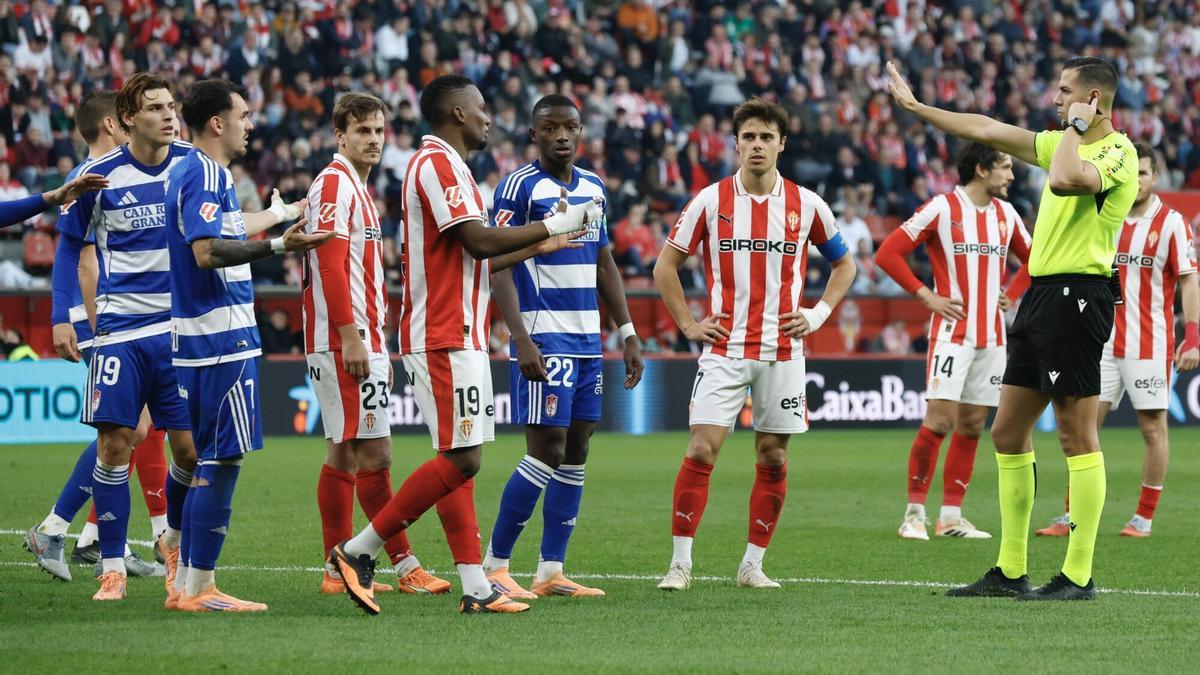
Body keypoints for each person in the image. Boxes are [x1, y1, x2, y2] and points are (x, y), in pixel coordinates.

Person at [327, 75, 599, 616]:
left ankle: (476, 586)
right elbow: (477, 240)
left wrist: (542, 243)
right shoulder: (437, 164)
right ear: (457, 113)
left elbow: (479, 254)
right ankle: (358, 550)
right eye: (480, 108)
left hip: (459, 329)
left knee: (460, 457)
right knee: (463, 459)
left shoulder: (452, 167)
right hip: (443, 330)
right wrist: (554, 221)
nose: (487, 118)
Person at [889, 56, 1138, 600]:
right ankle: (1010, 570)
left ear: (1093, 98)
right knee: (1005, 432)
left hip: (1080, 295)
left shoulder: (1119, 152)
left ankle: (1078, 576)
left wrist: (1075, 128)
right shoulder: (1063, 141)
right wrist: (919, 108)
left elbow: (1068, 181)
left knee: (1076, 434)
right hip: (1042, 297)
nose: (1056, 98)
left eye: (1066, 91)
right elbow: (985, 128)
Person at [651, 97, 857, 591]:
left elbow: (845, 265)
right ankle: (679, 564)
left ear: (781, 144)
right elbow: (665, 267)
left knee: (774, 457)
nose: (757, 145)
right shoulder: (710, 201)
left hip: (784, 353)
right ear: (736, 144)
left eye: (766, 137)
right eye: (749, 137)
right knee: (702, 449)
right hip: (724, 350)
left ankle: (752, 565)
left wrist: (817, 314)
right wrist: (688, 324)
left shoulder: (807, 205)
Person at [164, 79, 325, 612]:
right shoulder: (208, 173)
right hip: (222, 340)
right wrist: (278, 245)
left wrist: (281, 214)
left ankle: (186, 582)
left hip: (197, 339)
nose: (250, 125)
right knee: (223, 459)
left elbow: (228, 227)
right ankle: (201, 587)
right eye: (244, 115)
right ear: (218, 123)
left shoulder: (190, 170)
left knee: (205, 459)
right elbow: (208, 251)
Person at [482, 94, 645, 600]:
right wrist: (519, 338)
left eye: (569, 127)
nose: (561, 136)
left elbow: (603, 263)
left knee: (576, 449)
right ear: (534, 134)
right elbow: (498, 264)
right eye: (550, 127)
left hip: (587, 340)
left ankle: (551, 570)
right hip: (543, 335)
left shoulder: (594, 187)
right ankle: (495, 565)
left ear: (580, 132)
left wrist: (627, 331)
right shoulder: (518, 186)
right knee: (547, 447)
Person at [51, 74, 202, 602]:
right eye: (155, 108)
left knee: (189, 452)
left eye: (171, 106)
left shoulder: (194, 165)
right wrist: (61, 317)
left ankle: (173, 543)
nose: (169, 115)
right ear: (127, 118)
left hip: (178, 330)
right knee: (115, 444)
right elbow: (69, 248)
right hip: (120, 332)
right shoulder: (97, 176)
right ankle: (111, 566)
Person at [304, 92, 451, 596]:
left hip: (359, 336)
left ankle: (336, 569)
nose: (373, 139)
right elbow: (328, 262)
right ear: (339, 135)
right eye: (362, 130)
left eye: (378, 131)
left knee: (345, 454)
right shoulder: (335, 182)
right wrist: (349, 336)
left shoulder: (358, 187)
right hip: (345, 339)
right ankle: (403, 565)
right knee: (376, 455)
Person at [25, 91, 168, 582]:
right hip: (103, 321)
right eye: (127, 119)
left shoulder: (111, 173)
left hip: (109, 319)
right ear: (112, 123)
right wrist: (100, 328)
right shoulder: (93, 178)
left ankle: (90, 537)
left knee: (135, 430)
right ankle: (55, 526)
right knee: (129, 429)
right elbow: (85, 263)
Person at [1036, 142, 1198, 538]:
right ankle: (1071, 515)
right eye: (1133, 172)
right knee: (1083, 428)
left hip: (1150, 343)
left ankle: (1143, 517)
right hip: (1101, 342)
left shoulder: (1172, 223)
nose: (1137, 180)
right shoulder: (1105, 213)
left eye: (1144, 173)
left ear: (1155, 177)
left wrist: (1192, 335)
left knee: (1152, 428)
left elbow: (1190, 280)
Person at [875, 143, 1032, 541]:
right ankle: (914, 514)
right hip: (952, 335)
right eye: (1005, 167)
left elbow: (1036, 259)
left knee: (974, 425)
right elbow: (888, 253)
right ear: (981, 169)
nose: (1011, 175)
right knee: (940, 421)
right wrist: (926, 296)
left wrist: (1013, 292)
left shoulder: (1007, 215)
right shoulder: (942, 208)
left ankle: (950, 517)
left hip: (992, 338)